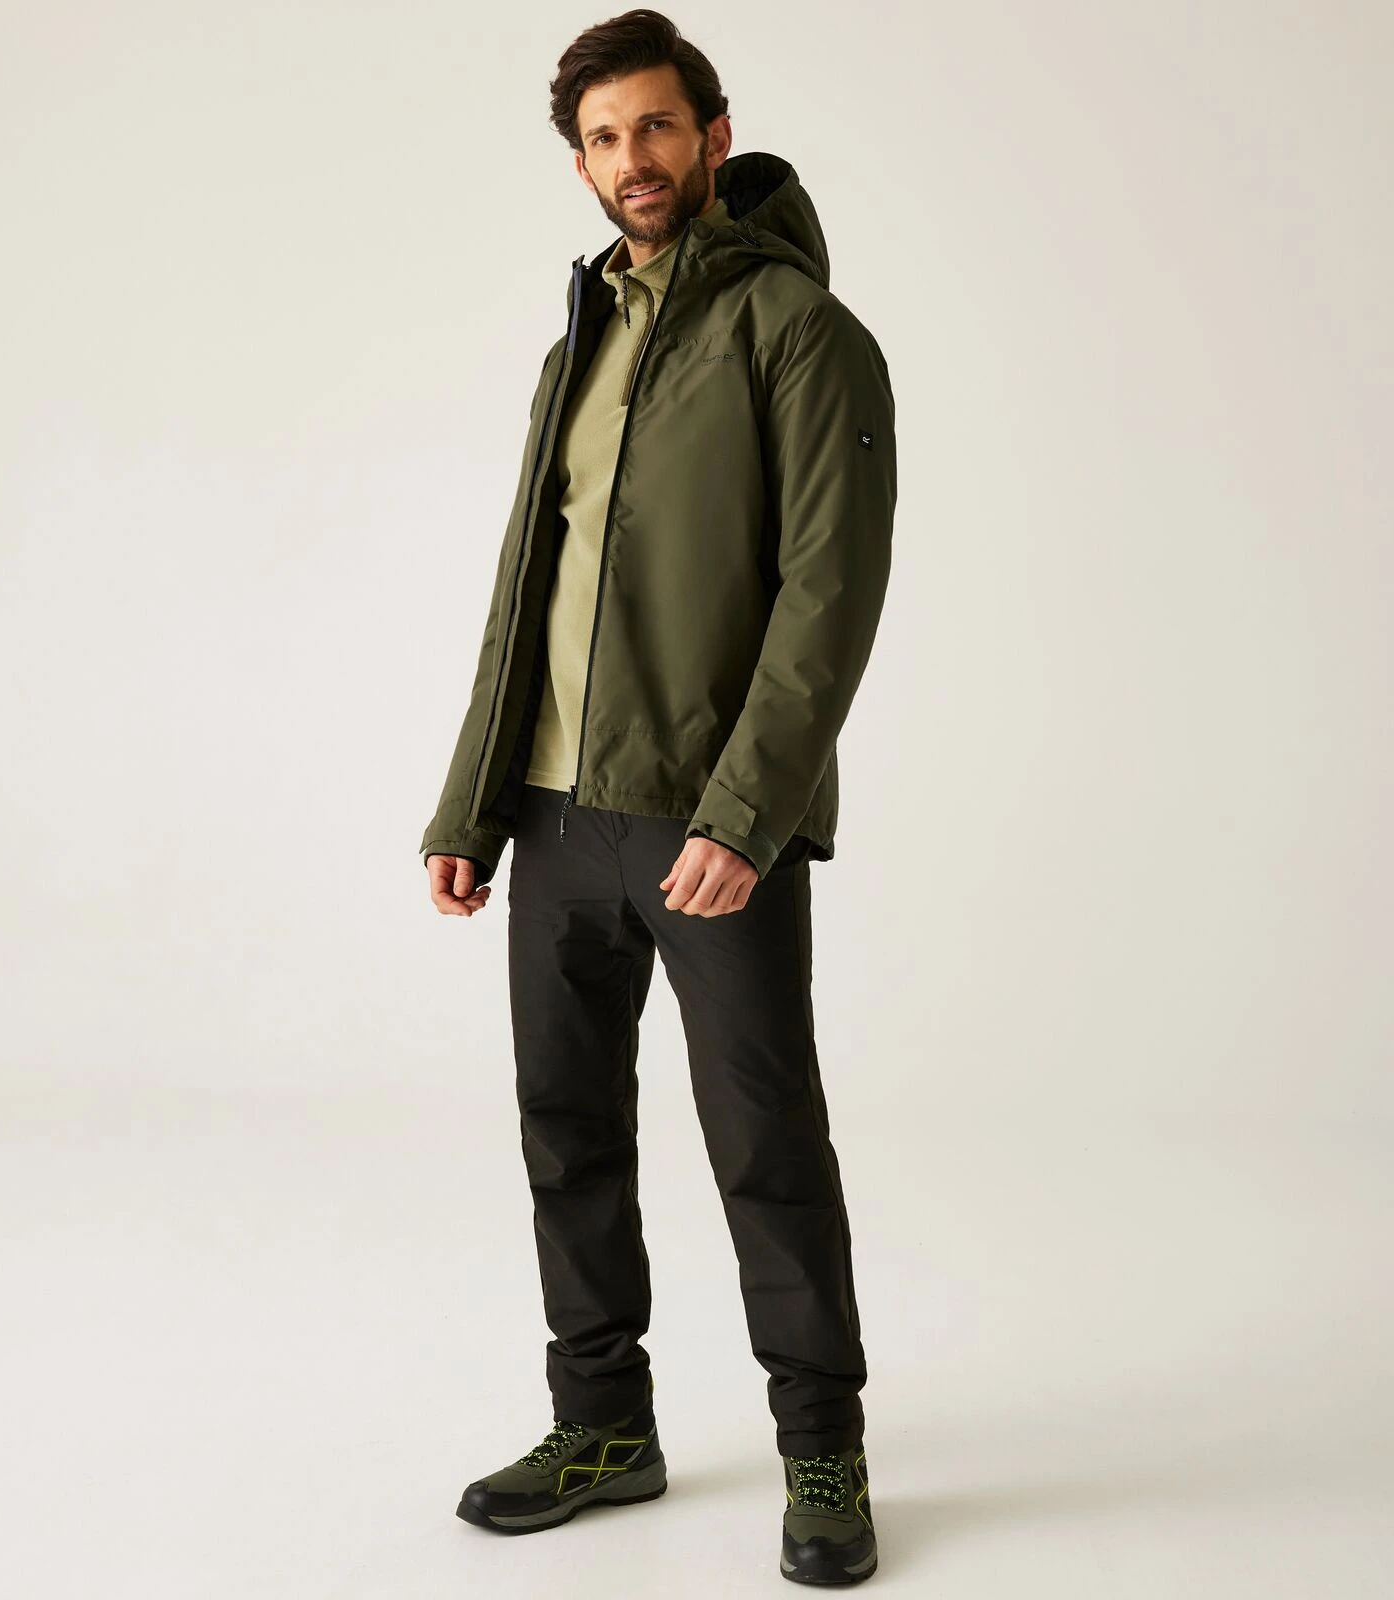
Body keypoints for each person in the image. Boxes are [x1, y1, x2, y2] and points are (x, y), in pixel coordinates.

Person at [419, 8, 896, 1585]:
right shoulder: (581, 343)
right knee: (568, 1132)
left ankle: (823, 1454)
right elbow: (525, 593)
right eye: (605, 138)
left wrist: (745, 816)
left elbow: (828, 597)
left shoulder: (800, 333)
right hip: (556, 816)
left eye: (658, 127)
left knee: (765, 1139)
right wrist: (471, 806)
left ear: (712, 134)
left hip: (709, 825)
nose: (634, 159)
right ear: (582, 162)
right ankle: (602, 1426)